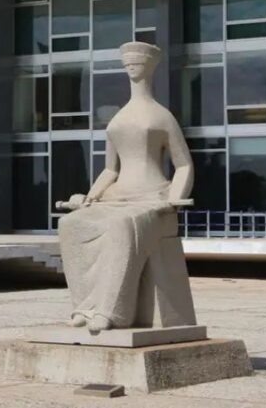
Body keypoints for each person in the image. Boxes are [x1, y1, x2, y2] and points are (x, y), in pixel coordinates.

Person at [56, 41, 193, 332]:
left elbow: (184, 165)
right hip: (117, 196)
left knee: (120, 227)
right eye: (128, 62)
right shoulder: (118, 119)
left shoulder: (162, 116)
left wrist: (173, 200)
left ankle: (111, 312)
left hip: (152, 198)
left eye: (138, 62)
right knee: (70, 225)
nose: (132, 66)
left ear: (150, 67)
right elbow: (110, 169)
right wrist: (90, 197)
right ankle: (85, 307)